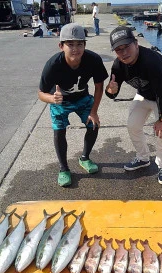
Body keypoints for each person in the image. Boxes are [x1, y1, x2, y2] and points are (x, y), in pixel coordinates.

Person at [105, 26, 162, 185]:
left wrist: (161, 119)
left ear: (136, 43)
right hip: (144, 94)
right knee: (132, 125)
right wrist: (110, 90)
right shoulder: (119, 65)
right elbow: (112, 92)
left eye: (126, 47)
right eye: (119, 50)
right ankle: (143, 157)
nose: (124, 52)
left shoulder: (151, 61)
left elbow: (161, 91)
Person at [38, 23, 108, 187]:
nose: (75, 49)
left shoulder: (94, 60)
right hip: (60, 100)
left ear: (85, 45)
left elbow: (99, 86)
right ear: (61, 46)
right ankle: (63, 168)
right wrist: (52, 99)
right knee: (59, 131)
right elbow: (40, 93)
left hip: (83, 98)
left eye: (79, 44)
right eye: (70, 44)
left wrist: (94, 111)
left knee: (94, 124)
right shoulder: (53, 65)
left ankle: (85, 158)